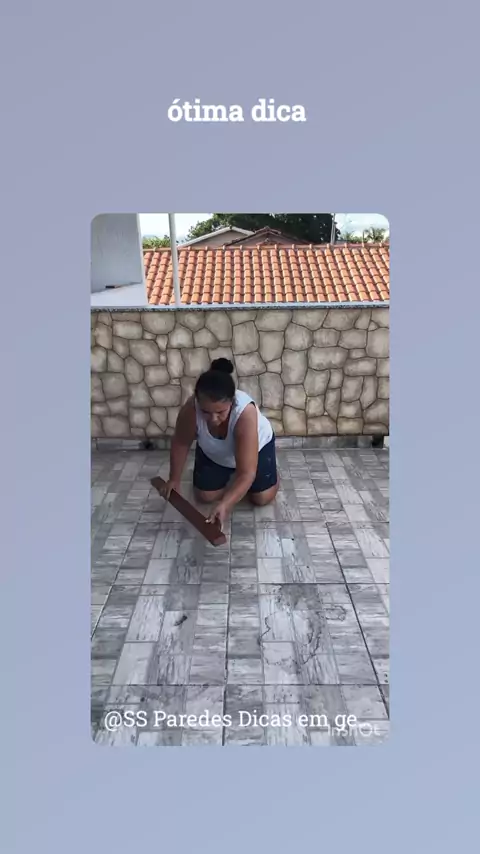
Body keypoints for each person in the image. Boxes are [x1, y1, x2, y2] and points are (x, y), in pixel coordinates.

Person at [159, 358, 279, 529]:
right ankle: (232, 479)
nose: (213, 419)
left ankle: (271, 476)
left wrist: (225, 504)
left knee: (261, 498)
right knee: (205, 496)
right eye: (206, 412)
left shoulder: (245, 414)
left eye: (221, 412)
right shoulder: (190, 410)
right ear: (198, 402)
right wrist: (174, 479)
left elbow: (247, 473)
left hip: (257, 448)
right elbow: (181, 443)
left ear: (232, 402)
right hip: (216, 452)